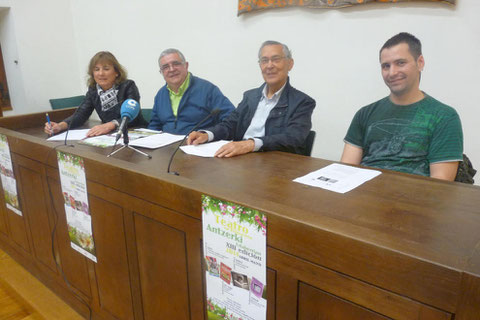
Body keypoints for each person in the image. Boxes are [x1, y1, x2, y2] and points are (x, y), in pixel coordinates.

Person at [341, 32, 463, 181]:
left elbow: (440, 184)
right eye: (386, 66)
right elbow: (345, 171)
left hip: (414, 200)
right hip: (363, 195)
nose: (392, 72)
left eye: (400, 63)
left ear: (420, 62)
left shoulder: (444, 116)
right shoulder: (365, 113)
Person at [187, 40, 316, 157]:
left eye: (276, 59)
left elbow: (293, 138)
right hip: (240, 161)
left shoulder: (302, 102)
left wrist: (251, 144)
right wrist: (207, 135)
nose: (269, 66)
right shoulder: (250, 96)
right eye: (264, 60)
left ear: (290, 64)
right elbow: (230, 125)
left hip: (273, 166)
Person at [44, 51, 147, 137]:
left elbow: (133, 117)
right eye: (96, 69)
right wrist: (60, 126)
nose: (101, 73)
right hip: (110, 136)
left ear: (116, 72)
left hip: (135, 133)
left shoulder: (128, 86)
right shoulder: (94, 91)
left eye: (106, 69)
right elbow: (81, 114)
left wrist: (109, 125)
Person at [148, 48, 234, 134]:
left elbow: (231, 118)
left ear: (186, 65)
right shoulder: (160, 95)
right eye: (166, 67)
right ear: (161, 72)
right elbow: (154, 125)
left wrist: (208, 134)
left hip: (197, 144)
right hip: (166, 145)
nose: (171, 69)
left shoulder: (208, 89)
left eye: (176, 64)